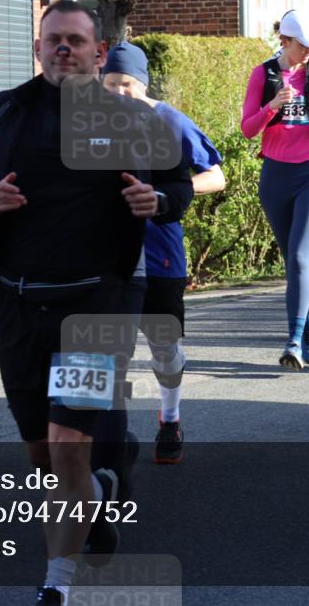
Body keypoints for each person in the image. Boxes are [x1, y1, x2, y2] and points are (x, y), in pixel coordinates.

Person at [0, 0, 193, 604]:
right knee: (42, 455)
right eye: (53, 39)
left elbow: (179, 184)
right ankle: (95, 499)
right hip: (20, 302)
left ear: (98, 52)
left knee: (68, 443)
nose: (63, 48)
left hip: (97, 304)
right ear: (37, 49)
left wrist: (158, 202)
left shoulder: (130, 119)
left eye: (76, 40)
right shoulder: (4, 113)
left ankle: (56, 586)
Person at [101, 42, 226, 464]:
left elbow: (216, 177)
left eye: (127, 85)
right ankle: (99, 439)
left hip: (160, 253)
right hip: (108, 256)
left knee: (164, 348)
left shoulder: (169, 121)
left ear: (143, 85)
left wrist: (161, 197)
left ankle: (169, 417)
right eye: (110, 84)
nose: (119, 93)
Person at [241, 9, 309, 371]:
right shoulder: (263, 74)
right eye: (302, 45)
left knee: (302, 254)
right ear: (284, 41)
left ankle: (294, 340)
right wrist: (272, 106)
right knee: (293, 261)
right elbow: (248, 129)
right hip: (275, 175)